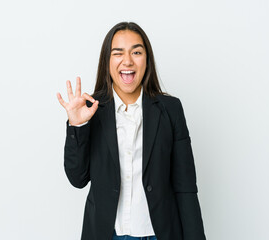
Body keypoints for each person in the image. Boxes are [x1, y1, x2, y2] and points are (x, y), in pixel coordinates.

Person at [57, 22, 207, 240]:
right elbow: (77, 178)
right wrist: (78, 126)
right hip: (108, 234)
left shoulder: (170, 110)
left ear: (147, 60)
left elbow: (185, 187)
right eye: (118, 53)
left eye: (136, 52)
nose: (127, 60)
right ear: (107, 61)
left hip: (160, 234)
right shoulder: (90, 109)